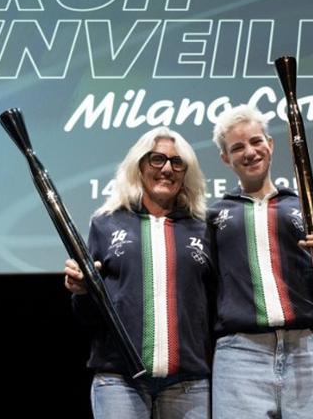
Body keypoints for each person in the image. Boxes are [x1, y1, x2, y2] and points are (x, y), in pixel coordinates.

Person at [208, 104, 313, 419]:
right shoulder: (214, 216)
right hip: (240, 356)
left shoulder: (305, 208)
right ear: (226, 159)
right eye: (237, 147)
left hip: (312, 350)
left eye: (256, 141)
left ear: (270, 144)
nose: (249, 151)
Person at [64, 127, 213, 419]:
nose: (167, 168)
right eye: (157, 159)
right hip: (119, 381)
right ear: (140, 165)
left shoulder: (204, 226)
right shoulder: (105, 223)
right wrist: (81, 292)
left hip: (189, 384)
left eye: (176, 162)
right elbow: (89, 316)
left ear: (186, 173)